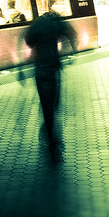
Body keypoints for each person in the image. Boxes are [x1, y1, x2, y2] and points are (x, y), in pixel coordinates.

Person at [23, 11, 77, 161]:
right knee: (52, 103)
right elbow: (72, 34)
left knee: (46, 104)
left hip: (40, 70)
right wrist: (72, 51)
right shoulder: (56, 22)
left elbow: (29, 42)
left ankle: (50, 131)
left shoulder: (37, 23)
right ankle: (52, 136)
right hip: (53, 68)